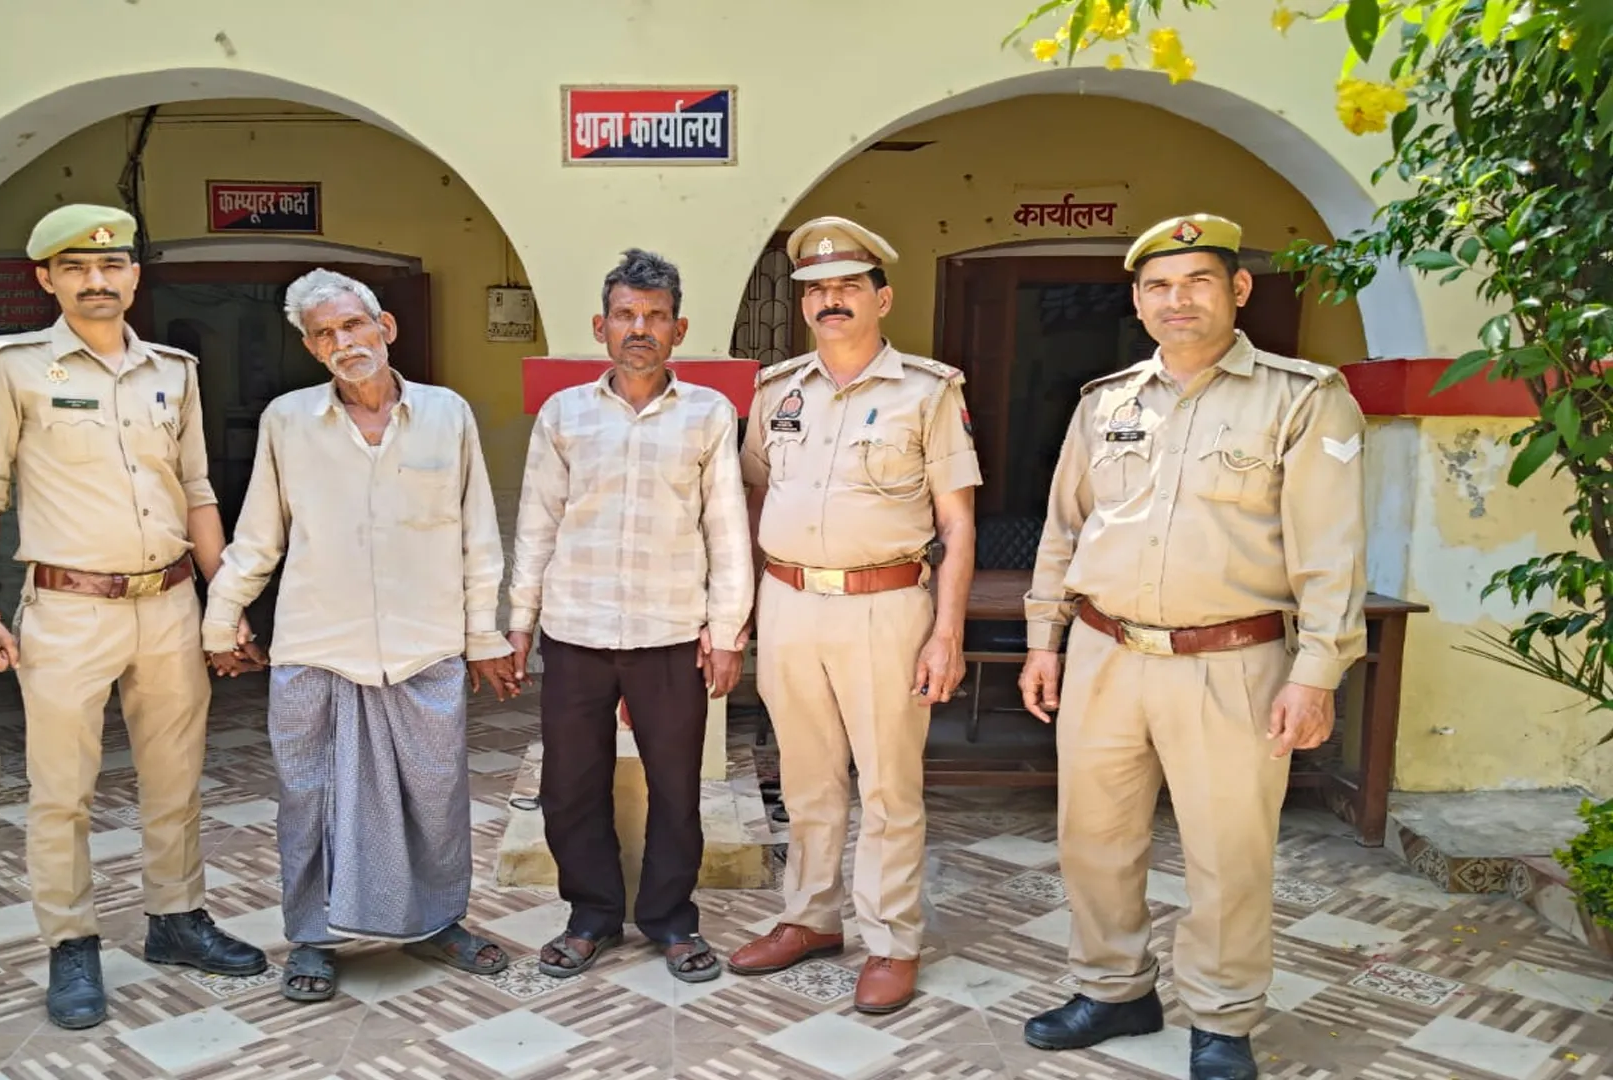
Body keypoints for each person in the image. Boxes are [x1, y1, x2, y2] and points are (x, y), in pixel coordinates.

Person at [1016, 214, 1367, 1080]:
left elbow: (1332, 555)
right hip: (1105, 653)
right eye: (1160, 287)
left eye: (1198, 281)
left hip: (1233, 661)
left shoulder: (1301, 396)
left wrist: (1317, 672)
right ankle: (1114, 987)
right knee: (1092, 838)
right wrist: (1043, 642)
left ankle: (1221, 1016)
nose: (1179, 301)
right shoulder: (1107, 402)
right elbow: (1065, 530)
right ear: (1137, 301)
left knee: (1228, 850)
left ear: (1238, 290)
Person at [0, 204, 267, 1030]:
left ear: (134, 274)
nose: (97, 280)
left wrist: (223, 606)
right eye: (76, 268)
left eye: (112, 265)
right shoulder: (12, 365)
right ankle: (71, 943)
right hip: (67, 607)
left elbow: (197, 492)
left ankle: (177, 918)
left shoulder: (175, 369)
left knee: (177, 779)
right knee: (62, 792)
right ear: (46, 279)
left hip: (167, 603)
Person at [200, 268, 519, 1002]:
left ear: (386, 329)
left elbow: (477, 536)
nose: (343, 343)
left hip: (424, 645)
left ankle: (438, 923)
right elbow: (257, 536)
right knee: (308, 795)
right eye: (325, 334)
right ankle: (313, 939)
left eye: (353, 326)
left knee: (434, 797)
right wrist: (222, 620)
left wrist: (485, 636)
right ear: (311, 349)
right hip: (319, 645)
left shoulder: (447, 414)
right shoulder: (287, 421)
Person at [727, 216, 980, 1014]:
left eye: (847, 287)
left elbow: (958, 524)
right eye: (817, 289)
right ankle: (810, 917)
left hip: (886, 607)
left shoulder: (929, 392)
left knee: (888, 788)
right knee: (804, 780)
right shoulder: (778, 392)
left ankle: (890, 939)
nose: (830, 300)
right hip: (791, 602)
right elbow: (752, 496)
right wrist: (745, 609)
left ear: (882, 298)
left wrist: (947, 632)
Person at [505, 248, 753, 984]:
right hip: (576, 631)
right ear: (600, 326)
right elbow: (536, 525)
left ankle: (672, 921)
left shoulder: (708, 414)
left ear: (678, 329)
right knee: (569, 786)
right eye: (625, 315)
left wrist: (728, 627)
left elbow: (727, 530)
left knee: (678, 788)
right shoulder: (564, 414)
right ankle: (591, 916)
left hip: (672, 634)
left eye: (654, 316)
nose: (638, 328)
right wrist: (520, 622)